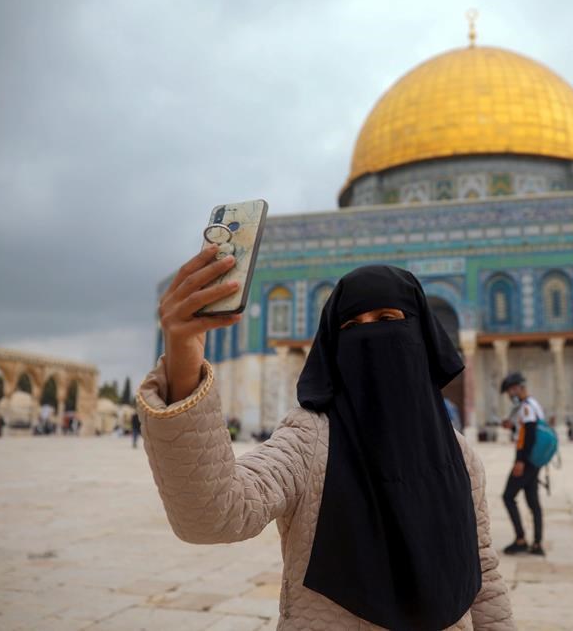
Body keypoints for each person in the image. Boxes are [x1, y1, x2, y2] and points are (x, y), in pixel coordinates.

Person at [138, 251, 514, 630]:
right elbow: (214, 516)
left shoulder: (458, 456)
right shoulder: (310, 441)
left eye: (387, 319)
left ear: (419, 333)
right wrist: (183, 358)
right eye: (352, 325)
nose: (371, 336)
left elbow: (482, 576)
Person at [498, 371, 546, 557]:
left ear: (517, 388)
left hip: (526, 461)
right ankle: (537, 544)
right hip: (533, 461)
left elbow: (530, 436)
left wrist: (520, 461)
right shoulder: (533, 405)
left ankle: (521, 539)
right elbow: (525, 431)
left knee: (508, 497)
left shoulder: (527, 408)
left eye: (510, 390)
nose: (510, 395)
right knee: (533, 501)